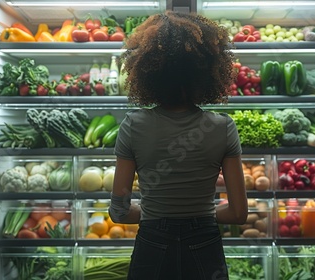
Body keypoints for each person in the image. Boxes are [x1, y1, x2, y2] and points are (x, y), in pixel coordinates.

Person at [108, 10, 248, 280]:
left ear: (147, 70)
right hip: (205, 244)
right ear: (208, 71)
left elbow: (120, 212)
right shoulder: (222, 127)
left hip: (152, 243)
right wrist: (199, 216)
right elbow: (239, 213)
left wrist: (156, 215)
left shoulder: (133, 125)